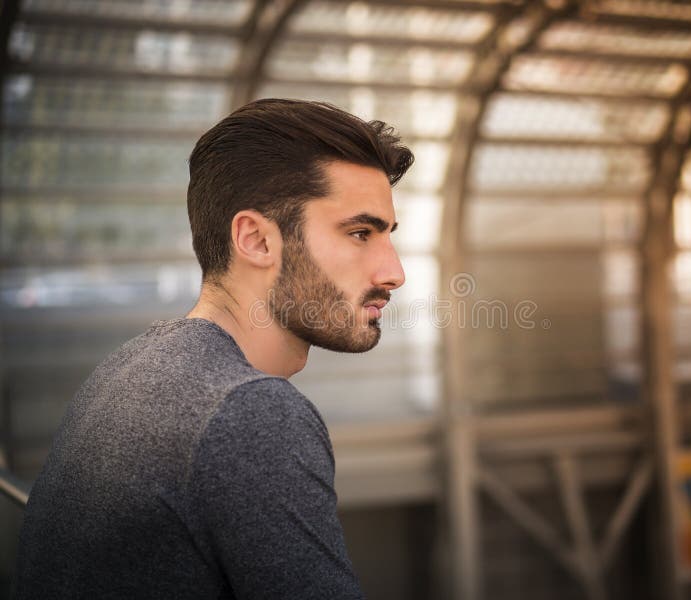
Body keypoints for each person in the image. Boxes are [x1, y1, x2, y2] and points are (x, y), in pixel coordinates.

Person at [15, 99, 414, 599]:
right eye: (360, 233)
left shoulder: (126, 371)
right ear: (256, 239)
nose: (394, 272)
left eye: (387, 236)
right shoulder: (249, 413)